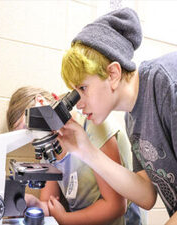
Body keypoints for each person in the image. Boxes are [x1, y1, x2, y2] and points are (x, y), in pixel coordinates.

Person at [59, 6, 177, 225]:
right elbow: (146, 195)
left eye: (83, 89)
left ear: (113, 74)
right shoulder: (132, 118)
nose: (79, 103)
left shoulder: (167, 83)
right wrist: (86, 150)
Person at [7, 86, 142, 225]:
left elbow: (115, 207)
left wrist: (64, 219)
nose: (33, 139)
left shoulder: (92, 123)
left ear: (40, 102)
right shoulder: (48, 142)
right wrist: (34, 203)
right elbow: (50, 204)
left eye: (28, 128)